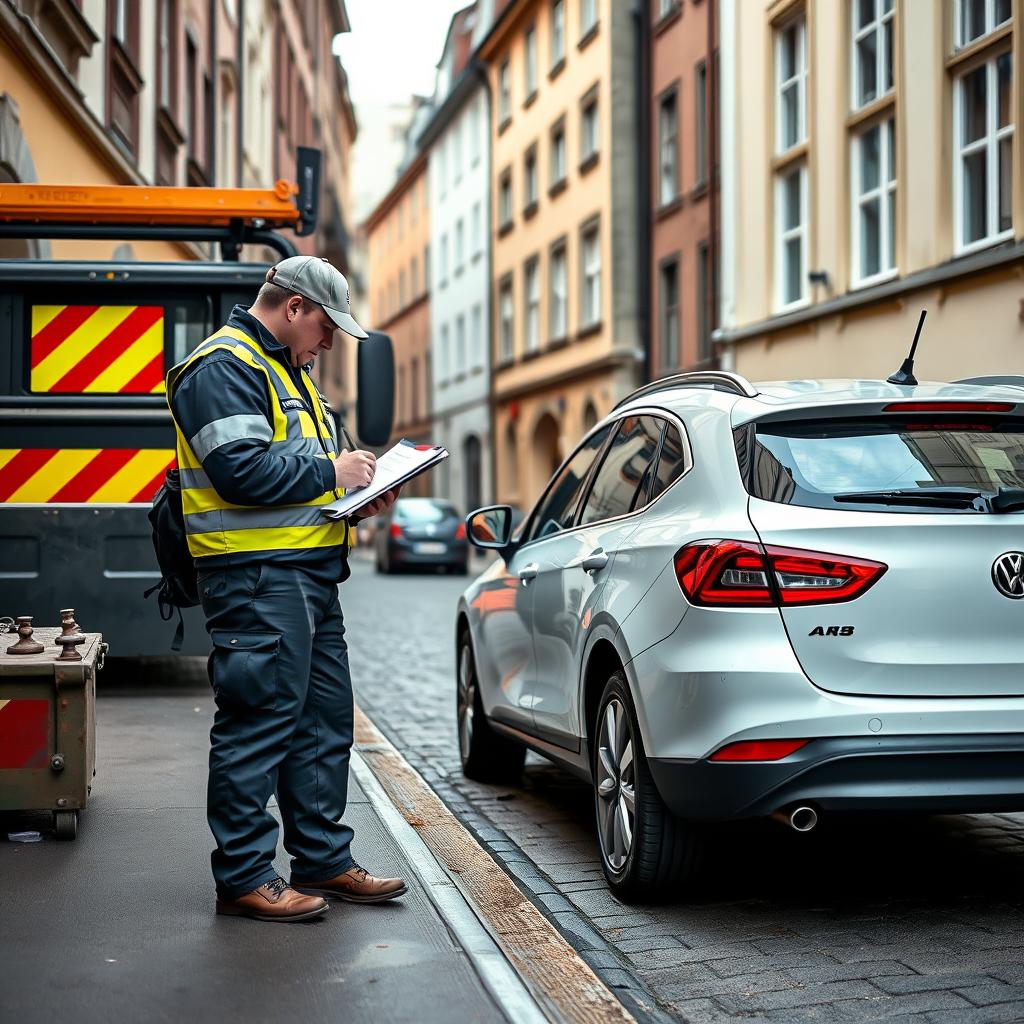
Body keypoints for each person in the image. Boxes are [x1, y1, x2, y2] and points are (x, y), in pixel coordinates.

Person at [167, 255, 406, 922]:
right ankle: (245, 876)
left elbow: (303, 477)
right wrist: (337, 471)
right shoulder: (225, 365)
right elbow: (240, 471)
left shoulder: (288, 374)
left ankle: (324, 860)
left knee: (322, 726)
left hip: (307, 577)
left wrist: (361, 497)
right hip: (256, 578)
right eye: (327, 327)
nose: (330, 343)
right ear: (294, 306)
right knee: (259, 725)